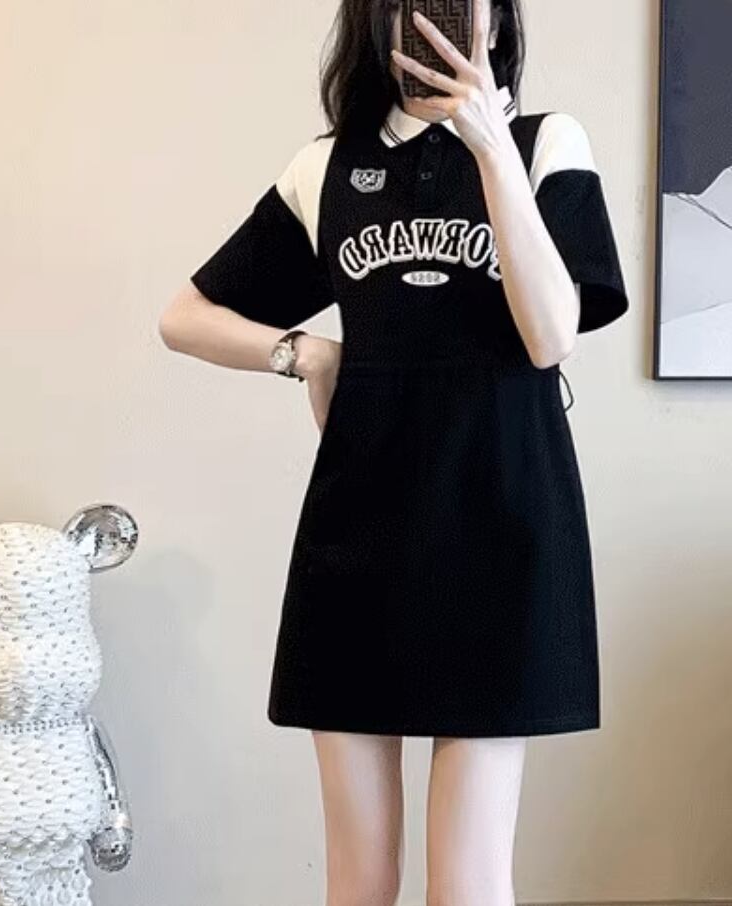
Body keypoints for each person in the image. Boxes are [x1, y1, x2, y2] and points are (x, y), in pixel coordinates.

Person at [159, 0, 629, 902]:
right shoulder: (326, 165)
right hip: (359, 530)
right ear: (378, 18)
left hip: (501, 526)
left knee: (469, 884)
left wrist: (489, 145)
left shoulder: (544, 144)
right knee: (360, 879)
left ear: (499, 21)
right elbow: (183, 316)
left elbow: (551, 335)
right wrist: (302, 352)